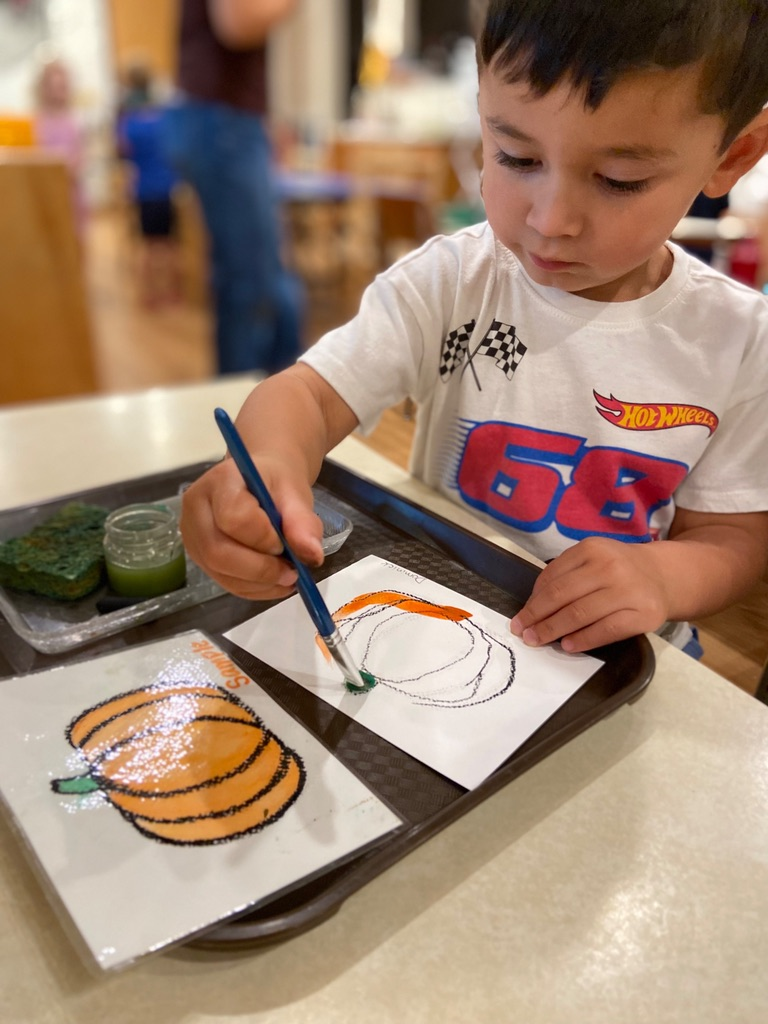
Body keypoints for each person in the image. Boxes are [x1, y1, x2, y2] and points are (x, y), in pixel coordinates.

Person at [180, 0, 768, 659]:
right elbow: (308, 396)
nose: (551, 220)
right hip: (438, 621)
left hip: (625, 657)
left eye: (617, 179)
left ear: (733, 154)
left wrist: (663, 577)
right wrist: (268, 464)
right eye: (515, 157)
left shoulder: (738, 341)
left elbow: (734, 537)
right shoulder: (454, 283)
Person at [162, 0, 304, 374]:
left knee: (256, 282)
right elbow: (237, 23)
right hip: (223, 122)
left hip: (223, 120)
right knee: (254, 288)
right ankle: (258, 413)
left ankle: (270, 405)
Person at [116, 63, 182, 307]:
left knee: (148, 246)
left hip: (144, 189)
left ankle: (149, 294)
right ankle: (175, 293)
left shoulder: (128, 122)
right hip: (166, 188)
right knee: (171, 246)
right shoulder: (164, 117)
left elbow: (124, 152)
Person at [33, 56, 86, 241]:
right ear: (44, 89)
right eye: (56, 87)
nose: (60, 92)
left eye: (63, 86)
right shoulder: (36, 123)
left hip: (73, 196)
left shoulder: (75, 121)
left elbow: (81, 158)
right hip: (47, 200)